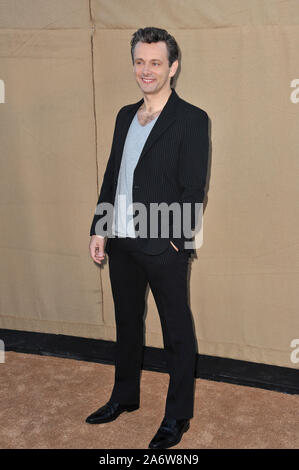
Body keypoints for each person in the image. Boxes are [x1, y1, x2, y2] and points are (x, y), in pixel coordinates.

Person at [86, 27, 209, 449]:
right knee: (126, 325)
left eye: (155, 62)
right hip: (120, 241)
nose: (146, 70)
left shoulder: (192, 119)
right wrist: (100, 227)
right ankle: (124, 398)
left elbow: (194, 190)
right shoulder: (124, 115)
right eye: (140, 61)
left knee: (176, 332)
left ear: (172, 67)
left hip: (164, 244)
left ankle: (177, 417)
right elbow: (112, 177)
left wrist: (176, 242)